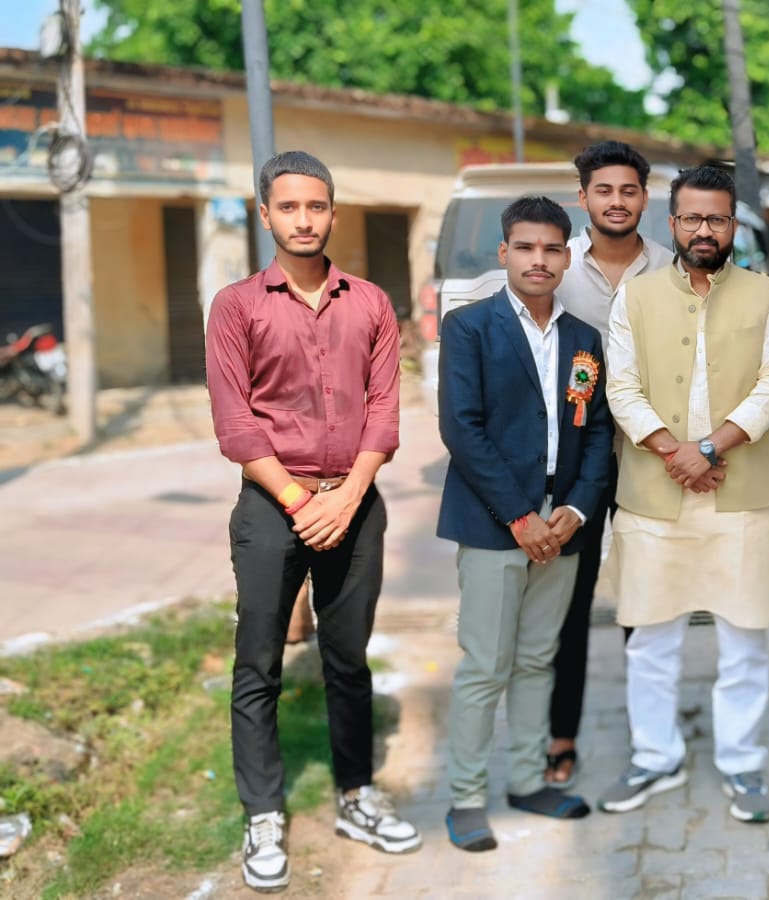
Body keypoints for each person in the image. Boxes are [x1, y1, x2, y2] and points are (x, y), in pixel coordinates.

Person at [205, 151, 419, 893]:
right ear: (265, 214)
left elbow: (384, 412)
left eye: (316, 206)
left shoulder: (372, 303)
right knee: (258, 663)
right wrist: (302, 503)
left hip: (355, 502)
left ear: (333, 212)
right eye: (289, 206)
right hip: (273, 506)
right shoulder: (237, 306)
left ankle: (356, 795)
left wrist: (348, 495)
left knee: (347, 660)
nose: (304, 219)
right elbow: (236, 425)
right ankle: (263, 813)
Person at [597, 165, 769, 824]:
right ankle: (656, 756)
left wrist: (708, 449)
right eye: (692, 218)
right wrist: (674, 453)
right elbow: (621, 388)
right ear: (673, 223)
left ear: (733, 225)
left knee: (744, 641)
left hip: (743, 495)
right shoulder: (634, 297)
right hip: (656, 497)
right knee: (650, 640)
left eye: (716, 218)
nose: (703, 229)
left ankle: (741, 761)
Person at [435, 196, 614, 850]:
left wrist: (576, 509)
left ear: (567, 257)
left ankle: (528, 780)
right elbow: (462, 428)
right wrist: (518, 515)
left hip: (563, 523)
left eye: (551, 249)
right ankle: (465, 797)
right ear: (504, 253)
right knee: (486, 664)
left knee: (539, 659)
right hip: (494, 522)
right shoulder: (469, 327)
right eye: (526, 247)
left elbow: (598, 433)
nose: (539, 260)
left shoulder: (583, 339)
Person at [545, 140, 675, 790]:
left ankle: (651, 741)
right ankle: (560, 735)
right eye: (604, 190)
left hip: (652, 462)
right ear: (584, 198)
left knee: (646, 606)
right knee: (567, 606)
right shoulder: (558, 269)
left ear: (645, 199)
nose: (616, 202)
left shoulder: (674, 270)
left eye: (628, 191)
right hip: (576, 467)